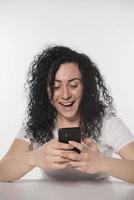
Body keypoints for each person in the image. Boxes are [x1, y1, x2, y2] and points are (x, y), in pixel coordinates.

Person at [0, 45, 134, 183]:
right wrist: (34, 158)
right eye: (56, 87)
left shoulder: (107, 123)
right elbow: (1, 172)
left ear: (85, 86)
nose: (65, 95)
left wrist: (103, 163)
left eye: (73, 85)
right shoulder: (37, 124)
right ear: (45, 90)